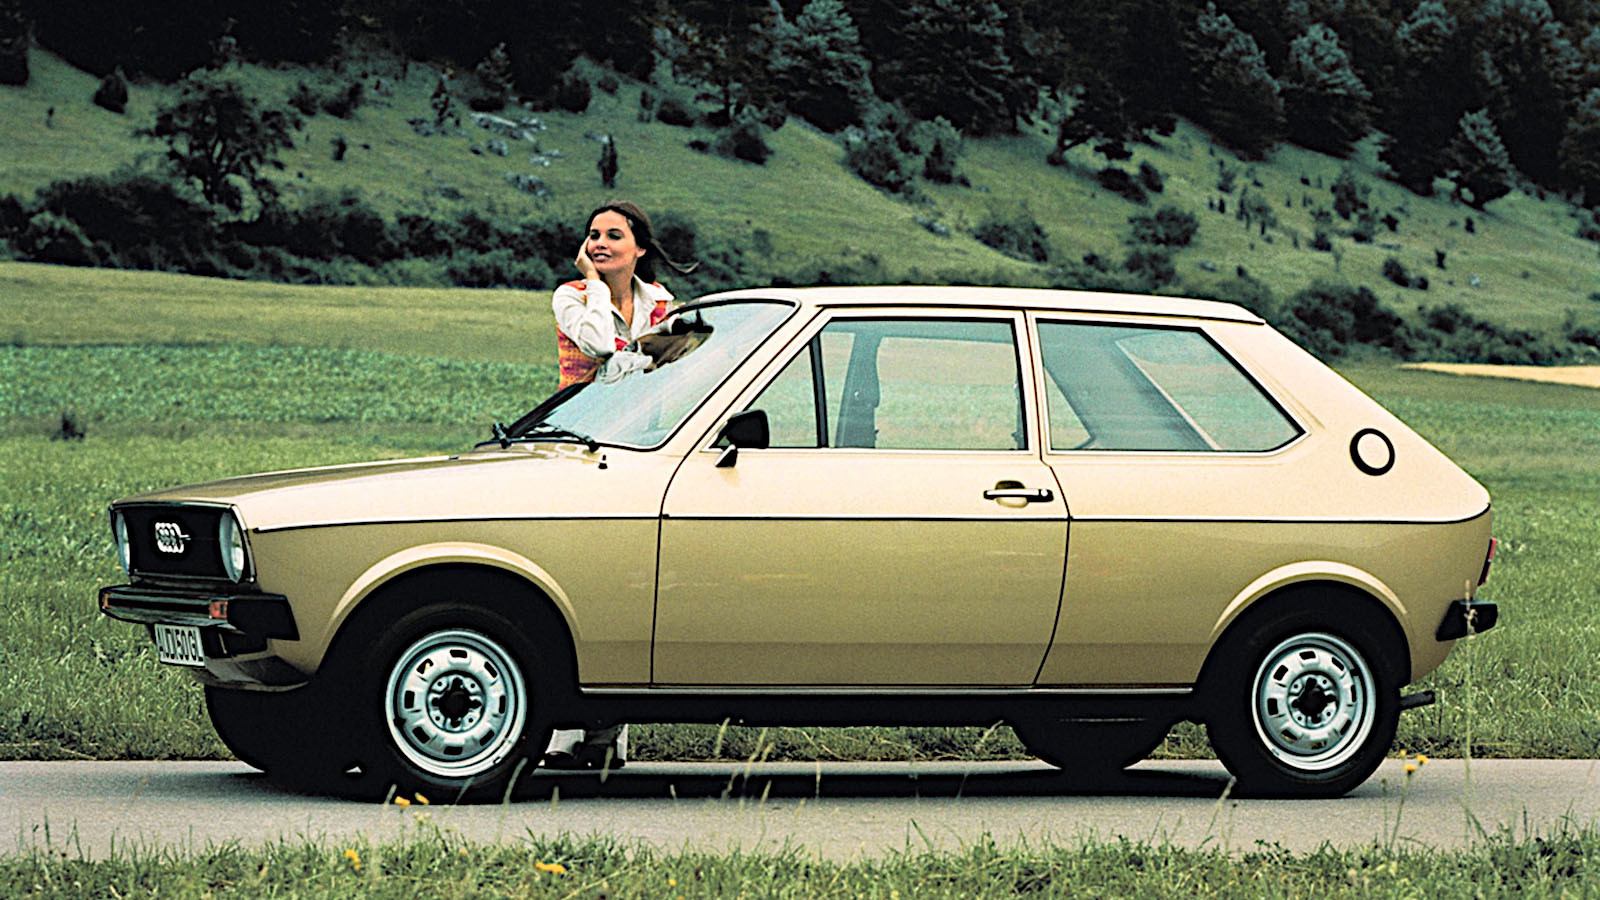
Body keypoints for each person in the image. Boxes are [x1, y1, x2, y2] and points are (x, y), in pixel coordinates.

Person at [546, 200, 696, 769]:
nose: (600, 244)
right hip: (581, 441)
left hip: (641, 446)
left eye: (614, 235)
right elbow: (600, 346)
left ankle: (608, 741)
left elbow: (672, 365)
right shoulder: (571, 296)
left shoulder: (660, 302)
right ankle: (560, 738)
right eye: (593, 235)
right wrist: (593, 284)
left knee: (623, 583)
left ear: (639, 247)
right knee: (576, 582)